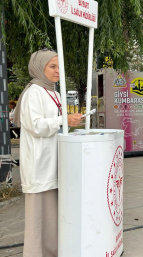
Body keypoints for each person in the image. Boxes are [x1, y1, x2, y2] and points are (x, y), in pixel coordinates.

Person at [13, 49, 83, 257]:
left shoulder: (52, 91)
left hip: (53, 163)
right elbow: (36, 126)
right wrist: (64, 120)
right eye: (52, 67)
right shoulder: (33, 92)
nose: (57, 71)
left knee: (52, 217)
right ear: (39, 68)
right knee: (37, 219)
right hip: (38, 164)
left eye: (59, 66)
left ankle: (52, 252)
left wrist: (69, 121)